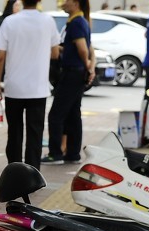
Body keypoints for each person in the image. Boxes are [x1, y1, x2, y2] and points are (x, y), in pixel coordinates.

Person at [0, 0, 61, 169]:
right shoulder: (48, 21)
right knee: (35, 133)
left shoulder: (10, 21)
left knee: (14, 132)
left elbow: (0, 56)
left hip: (14, 87)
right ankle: (32, 173)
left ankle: (14, 170)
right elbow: (55, 53)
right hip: (38, 88)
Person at [45, 0, 95, 164]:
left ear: (75, 3)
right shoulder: (79, 21)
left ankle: (55, 153)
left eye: (66, 1)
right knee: (73, 114)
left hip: (72, 73)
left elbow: (83, 48)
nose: (63, 3)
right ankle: (73, 153)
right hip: (76, 73)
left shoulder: (76, 23)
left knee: (56, 115)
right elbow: (82, 48)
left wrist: (87, 66)